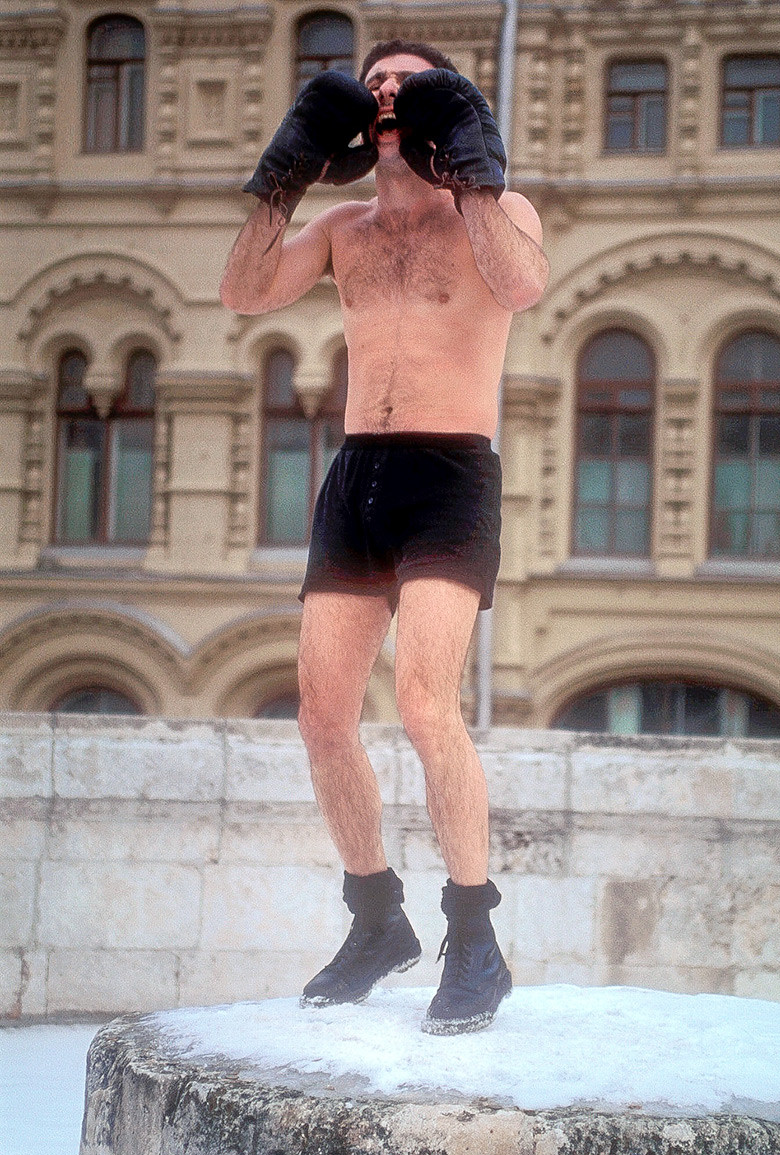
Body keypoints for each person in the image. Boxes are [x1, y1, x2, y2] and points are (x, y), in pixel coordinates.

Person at [220, 38, 549, 1034]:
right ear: (362, 120)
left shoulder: (497, 215)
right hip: (358, 474)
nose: (389, 94)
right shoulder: (343, 226)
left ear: (442, 103)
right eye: (375, 86)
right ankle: (377, 920)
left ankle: (475, 936)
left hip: (451, 475)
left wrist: (477, 175)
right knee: (323, 714)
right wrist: (280, 183)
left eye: (409, 82)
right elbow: (244, 293)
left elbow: (523, 287)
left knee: (421, 700)